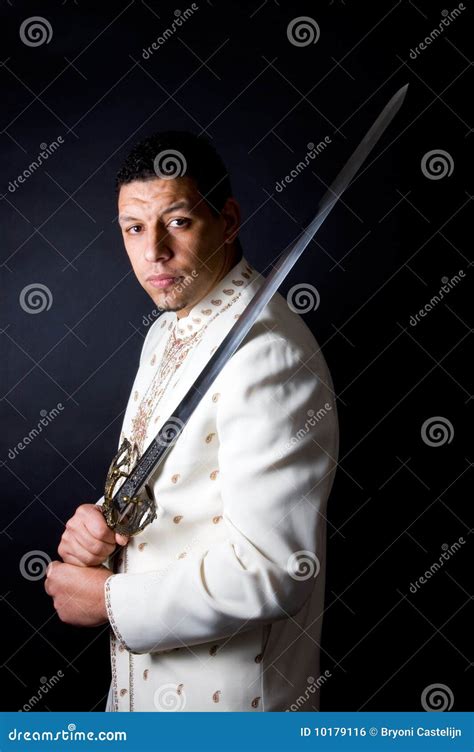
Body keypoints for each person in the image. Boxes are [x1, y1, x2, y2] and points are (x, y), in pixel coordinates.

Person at [44, 131, 339, 712]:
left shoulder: (268, 353)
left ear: (226, 220)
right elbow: (163, 488)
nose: (153, 252)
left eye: (176, 222)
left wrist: (109, 601)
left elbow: (278, 570)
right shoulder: (165, 331)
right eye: (134, 228)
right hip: (140, 692)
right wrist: (102, 527)